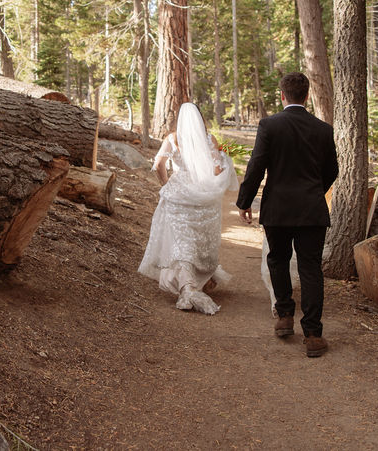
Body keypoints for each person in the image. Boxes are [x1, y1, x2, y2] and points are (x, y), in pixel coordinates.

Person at [236, 72, 339, 357]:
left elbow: (256, 165)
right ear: (306, 96)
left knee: (278, 260)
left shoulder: (269, 125)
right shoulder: (323, 129)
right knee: (310, 268)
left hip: (278, 209)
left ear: (282, 96)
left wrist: (245, 201)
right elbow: (332, 170)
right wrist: (316, 191)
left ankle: (283, 316)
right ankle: (314, 335)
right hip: (312, 210)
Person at [138, 102, 239, 315]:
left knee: (180, 240)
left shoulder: (172, 138)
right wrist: (225, 160)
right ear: (200, 119)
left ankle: (188, 288)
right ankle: (194, 284)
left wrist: (166, 184)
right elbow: (217, 167)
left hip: (179, 194)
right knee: (198, 238)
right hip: (203, 194)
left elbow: (158, 165)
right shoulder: (210, 139)